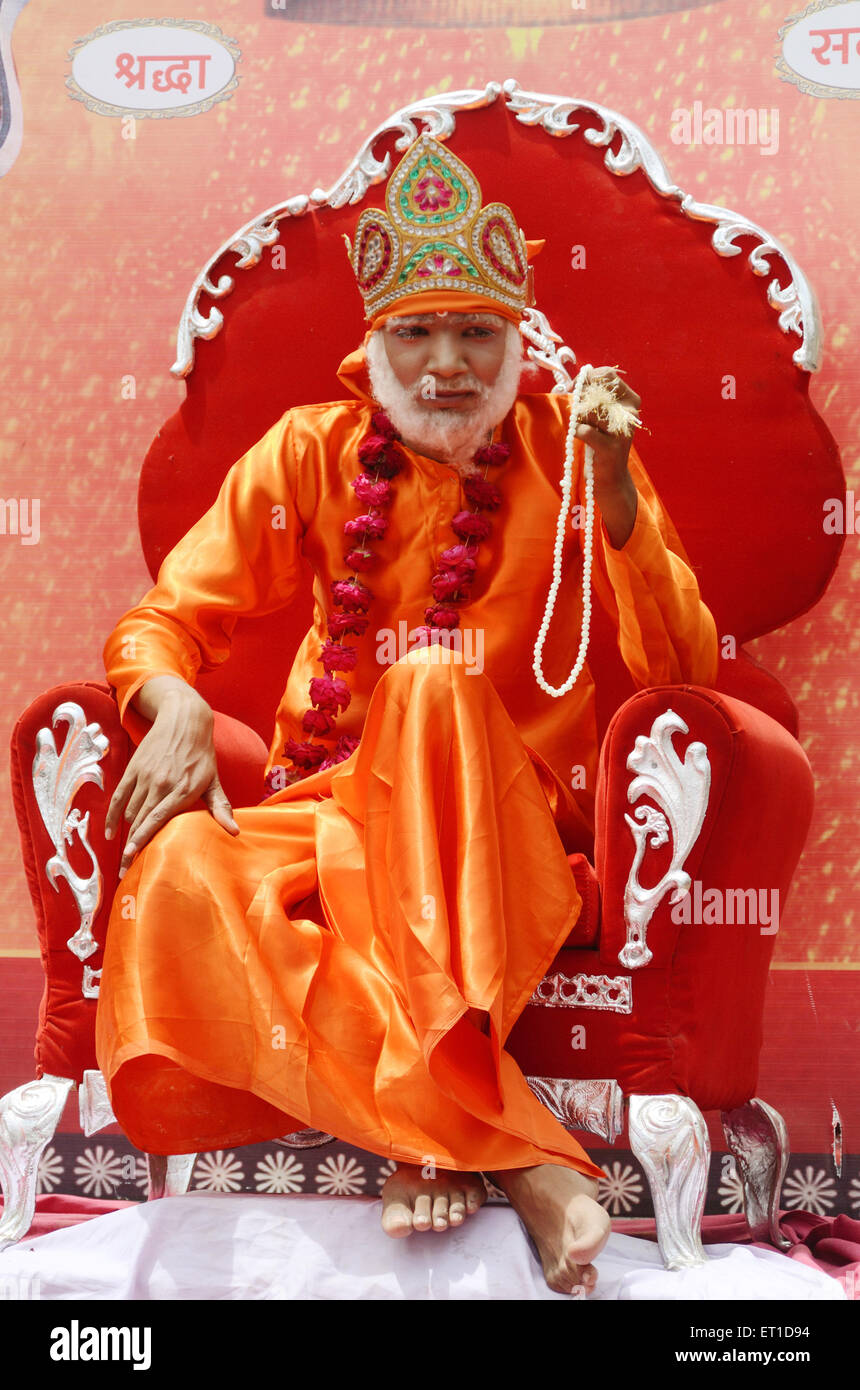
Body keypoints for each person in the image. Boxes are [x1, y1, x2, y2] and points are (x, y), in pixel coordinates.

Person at [96, 134, 718, 1295]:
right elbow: (165, 618)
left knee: (429, 679)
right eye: (414, 334)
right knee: (180, 858)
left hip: (506, 830)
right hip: (334, 811)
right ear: (371, 346)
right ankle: (493, 1140)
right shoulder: (309, 453)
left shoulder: (573, 460)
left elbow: (680, 666)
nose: (444, 364)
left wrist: (622, 489)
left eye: (474, 333)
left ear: (515, 346)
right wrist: (172, 700)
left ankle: (429, 1132)